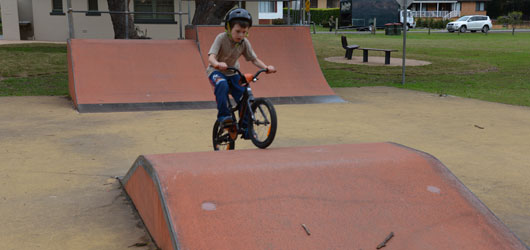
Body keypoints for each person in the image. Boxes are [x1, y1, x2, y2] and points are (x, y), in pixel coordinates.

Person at [207, 8, 276, 138]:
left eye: (244, 32)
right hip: (216, 71)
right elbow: (211, 57)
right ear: (228, 28)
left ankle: (245, 128)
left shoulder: (244, 43)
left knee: (246, 95)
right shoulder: (221, 38)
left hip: (233, 73)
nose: (240, 35)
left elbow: (254, 59)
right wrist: (217, 64)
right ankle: (224, 116)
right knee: (222, 84)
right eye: (237, 31)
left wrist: (266, 67)